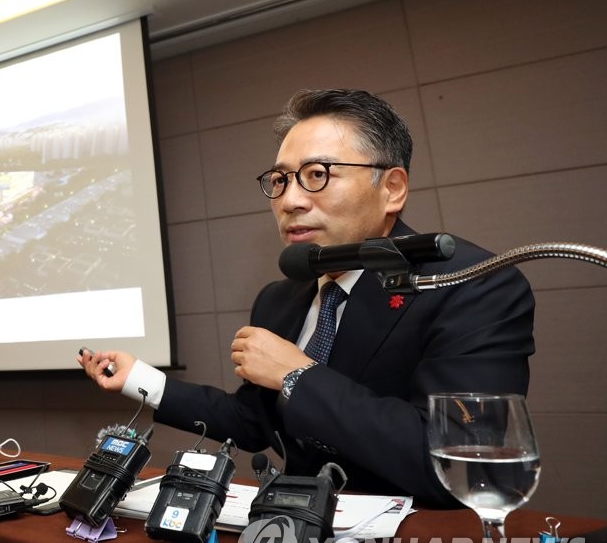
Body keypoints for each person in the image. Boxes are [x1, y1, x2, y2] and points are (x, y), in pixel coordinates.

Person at [78, 89, 535, 507]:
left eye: (317, 174)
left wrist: (298, 374)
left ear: (391, 188)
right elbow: (252, 423)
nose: (290, 199)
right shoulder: (280, 299)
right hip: (291, 526)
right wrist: (140, 379)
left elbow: (459, 462)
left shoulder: (472, 283)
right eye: (279, 181)